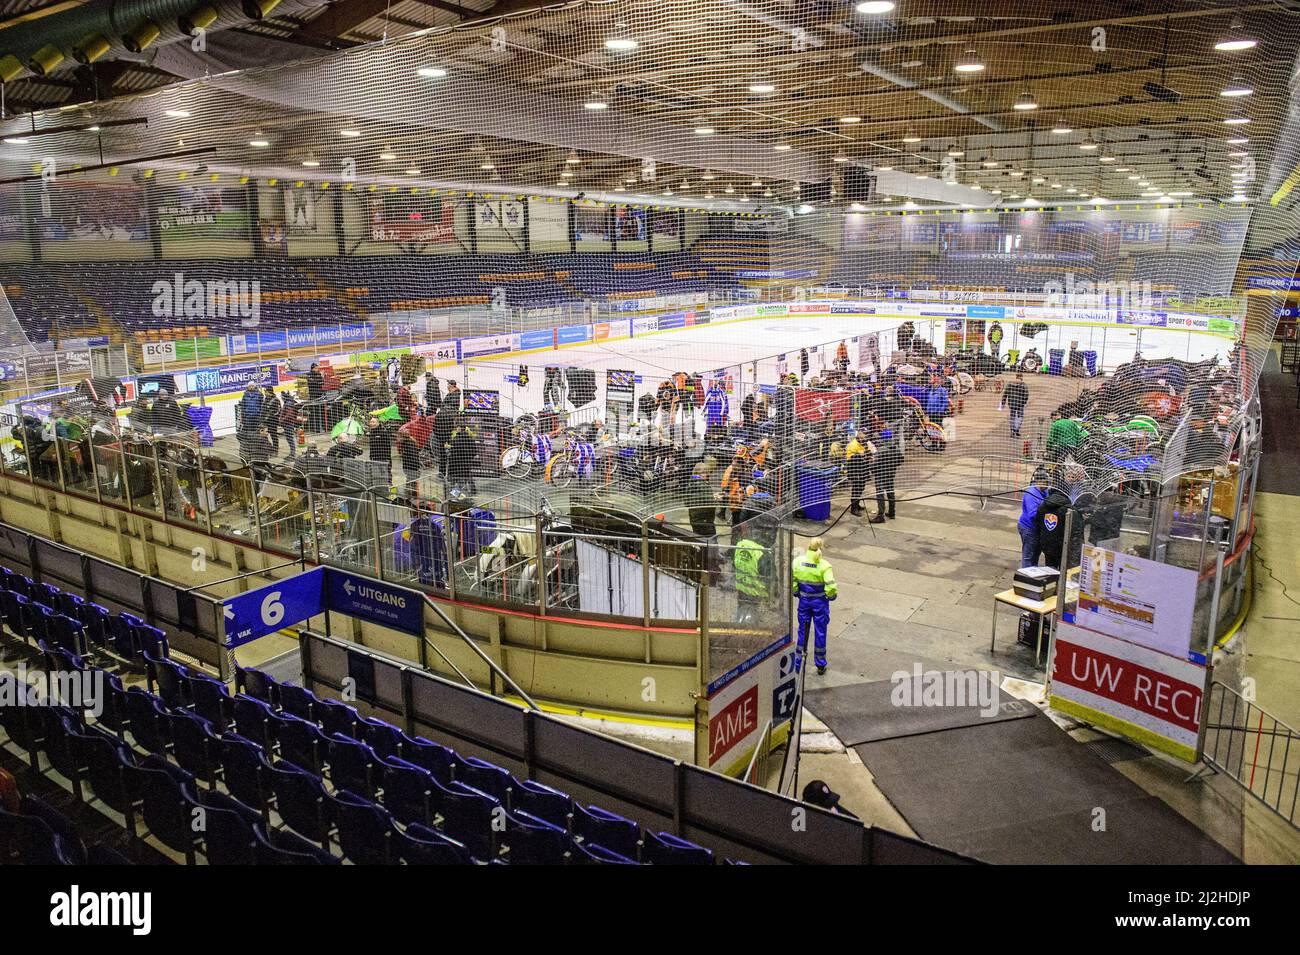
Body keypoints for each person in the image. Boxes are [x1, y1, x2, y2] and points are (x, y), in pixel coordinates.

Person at [791, 538, 836, 675]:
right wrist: (831, 595)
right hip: (820, 604)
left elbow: (794, 582)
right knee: (820, 632)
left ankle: (798, 662)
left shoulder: (798, 562)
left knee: (802, 631)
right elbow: (831, 587)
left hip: (804, 602)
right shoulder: (825, 566)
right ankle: (820, 663)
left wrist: (797, 592)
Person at [733, 529, 770, 623]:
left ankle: (738, 625)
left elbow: (734, 564)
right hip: (756, 593)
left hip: (741, 588)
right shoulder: (762, 552)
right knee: (753, 618)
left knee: (741, 611)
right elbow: (768, 575)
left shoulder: (740, 545)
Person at [870, 427, 903, 523]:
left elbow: (875, 464)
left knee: (880, 494)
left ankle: (881, 515)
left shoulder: (881, 450)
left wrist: (871, 468)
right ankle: (892, 512)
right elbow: (901, 460)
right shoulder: (895, 448)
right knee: (890, 492)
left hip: (880, 475)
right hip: (891, 474)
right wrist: (892, 466)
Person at [1018, 467, 1050, 568]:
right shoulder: (1031, 494)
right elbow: (1033, 514)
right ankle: (1026, 575)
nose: (1048, 485)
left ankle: (1033, 572)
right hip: (1028, 528)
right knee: (1028, 556)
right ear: (1039, 482)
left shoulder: (1045, 491)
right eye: (1046, 482)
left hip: (1037, 529)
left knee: (1036, 554)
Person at [686, 459, 718, 537]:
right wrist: (715, 499)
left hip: (694, 518)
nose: (707, 474)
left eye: (707, 472)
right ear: (698, 473)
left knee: (699, 540)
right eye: (704, 472)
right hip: (705, 520)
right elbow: (711, 503)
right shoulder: (703, 485)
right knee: (711, 542)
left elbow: (687, 502)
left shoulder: (690, 483)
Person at [845, 432, 873, 517]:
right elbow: (850, 458)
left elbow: (867, 453)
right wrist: (861, 455)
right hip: (855, 470)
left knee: (861, 487)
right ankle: (854, 508)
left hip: (862, 469)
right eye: (863, 439)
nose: (864, 441)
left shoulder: (863, 444)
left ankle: (857, 504)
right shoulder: (853, 444)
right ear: (859, 438)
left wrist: (869, 455)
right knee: (856, 489)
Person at [1003, 373, 1029, 438]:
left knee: (1012, 417)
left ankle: (1012, 429)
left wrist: (1003, 402)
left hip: (1011, 403)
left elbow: (1005, 393)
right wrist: (1024, 402)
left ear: (1016, 377)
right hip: (1020, 404)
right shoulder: (1023, 385)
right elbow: (1026, 395)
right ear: (1021, 377)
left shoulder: (1010, 384)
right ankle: (1016, 429)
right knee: (1020, 417)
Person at [261, 387, 283, 455]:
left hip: (273, 421)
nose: (265, 393)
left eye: (266, 391)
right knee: (264, 435)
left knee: (274, 436)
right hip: (265, 421)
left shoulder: (276, 400)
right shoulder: (265, 399)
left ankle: (275, 450)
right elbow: (263, 409)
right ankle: (268, 449)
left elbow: (278, 411)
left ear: (269, 392)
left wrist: (269, 416)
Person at [305, 363, 325, 433]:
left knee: (317, 413)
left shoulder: (318, 374)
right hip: (315, 396)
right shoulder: (310, 375)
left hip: (317, 396)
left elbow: (321, 383)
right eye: (316, 368)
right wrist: (321, 379)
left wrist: (321, 379)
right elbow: (315, 383)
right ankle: (317, 429)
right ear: (313, 368)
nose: (318, 369)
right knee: (316, 413)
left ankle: (318, 428)